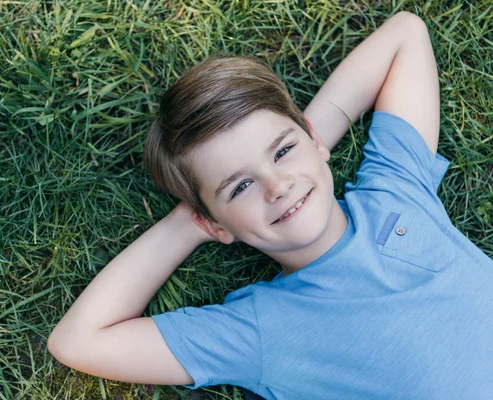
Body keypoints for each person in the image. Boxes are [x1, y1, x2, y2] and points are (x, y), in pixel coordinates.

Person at [47, 11, 493, 399]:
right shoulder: (261, 331)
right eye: (239, 187)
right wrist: (190, 224)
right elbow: (77, 341)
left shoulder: (395, 188)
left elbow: (406, 36)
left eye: (282, 152)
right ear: (216, 223)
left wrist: (306, 147)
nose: (277, 186)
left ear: (315, 137)